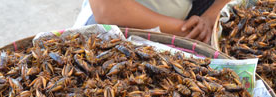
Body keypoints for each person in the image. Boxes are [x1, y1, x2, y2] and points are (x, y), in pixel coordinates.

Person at [74, 0, 230, 44]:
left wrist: (212, 15)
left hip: (185, 23)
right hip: (117, 30)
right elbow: (107, 9)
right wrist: (187, 30)